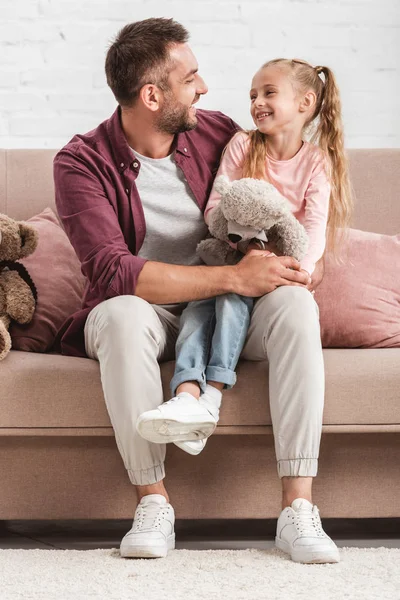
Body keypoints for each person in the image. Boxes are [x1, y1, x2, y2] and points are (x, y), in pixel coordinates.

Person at [53, 18, 349, 564]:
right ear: (152, 95)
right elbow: (114, 273)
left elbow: (274, 190)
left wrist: (287, 259)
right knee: (120, 313)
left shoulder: (219, 134)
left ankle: (298, 509)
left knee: (294, 304)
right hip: (145, 313)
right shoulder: (80, 163)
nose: (205, 87)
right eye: (191, 78)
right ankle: (153, 502)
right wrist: (234, 276)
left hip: (229, 312)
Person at [136, 57, 353, 465]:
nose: (257, 102)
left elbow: (315, 227)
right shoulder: (242, 144)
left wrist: (297, 272)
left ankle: (212, 396)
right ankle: (186, 395)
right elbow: (217, 204)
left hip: (279, 270)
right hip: (232, 253)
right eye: (253, 94)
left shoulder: (315, 163)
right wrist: (243, 251)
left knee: (232, 301)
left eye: (269, 93)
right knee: (202, 306)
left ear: (306, 102)